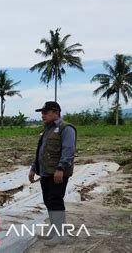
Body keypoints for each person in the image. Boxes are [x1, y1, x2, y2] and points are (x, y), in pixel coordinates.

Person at [28, 101, 76, 246]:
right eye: (42, 113)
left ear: (56, 112)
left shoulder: (66, 128)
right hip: (45, 172)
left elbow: (69, 150)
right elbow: (41, 152)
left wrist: (60, 168)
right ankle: (56, 231)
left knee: (55, 201)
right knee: (49, 202)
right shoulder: (47, 129)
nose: (42, 115)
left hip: (57, 173)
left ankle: (61, 235)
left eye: (46, 113)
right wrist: (33, 168)